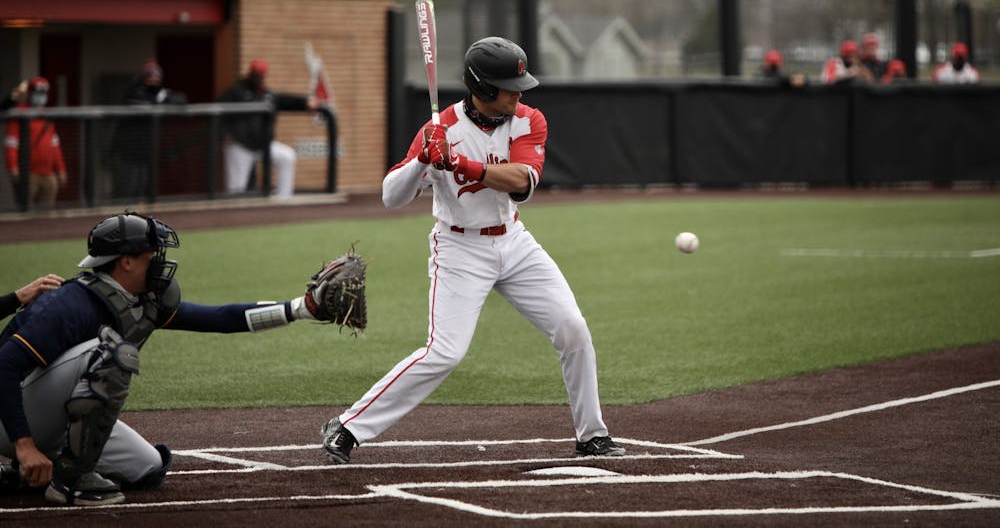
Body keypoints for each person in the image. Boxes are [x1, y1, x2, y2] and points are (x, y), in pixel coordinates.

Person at [319, 36, 625, 465]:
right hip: (459, 248)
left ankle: (592, 434)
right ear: (482, 89)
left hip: (515, 242)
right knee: (445, 352)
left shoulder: (529, 120)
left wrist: (459, 164)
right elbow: (391, 196)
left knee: (572, 328)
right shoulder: (442, 127)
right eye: (509, 86)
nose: (519, 94)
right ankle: (348, 426)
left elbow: (522, 180)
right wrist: (423, 160)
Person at [0, 211, 326, 506]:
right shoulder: (68, 304)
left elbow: (220, 318)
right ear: (126, 261)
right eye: (152, 254)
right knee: (112, 351)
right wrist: (24, 445)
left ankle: (26, 473)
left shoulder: (138, 301)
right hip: (9, 418)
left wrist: (298, 309)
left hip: (47, 417)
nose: (159, 261)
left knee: (148, 467)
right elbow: (5, 365)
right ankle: (70, 482)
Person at [217, 58, 321, 198]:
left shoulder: (267, 95)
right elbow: (218, 111)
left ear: (264, 75)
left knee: (287, 156)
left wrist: (306, 102)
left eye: (260, 74)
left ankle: (283, 200)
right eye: (255, 74)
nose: (257, 77)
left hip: (264, 145)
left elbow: (285, 100)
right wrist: (225, 133)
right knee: (236, 190)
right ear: (250, 73)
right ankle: (234, 217)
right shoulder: (235, 92)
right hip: (240, 146)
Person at [111, 60, 188, 200]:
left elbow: (181, 99)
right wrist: (160, 101)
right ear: (143, 77)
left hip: (145, 153)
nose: (154, 79)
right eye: (150, 76)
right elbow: (143, 103)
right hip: (126, 153)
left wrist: (164, 99)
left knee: (144, 190)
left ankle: (139, 221)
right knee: (126, 191)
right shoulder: (133, 92)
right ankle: (120, 221)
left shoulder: (158, 93)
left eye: (157, 76)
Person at [3, 77, 67, 208]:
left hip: (48, 175)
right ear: (30, 93)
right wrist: (13, 168)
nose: (41, 97)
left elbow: (55, 146)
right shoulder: (19, 114)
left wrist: (60, 169)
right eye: (38, 93)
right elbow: (11, 144)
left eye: (43, 93)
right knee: (27, 213)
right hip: (28, 174)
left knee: (47, 215)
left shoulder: (47, 116)